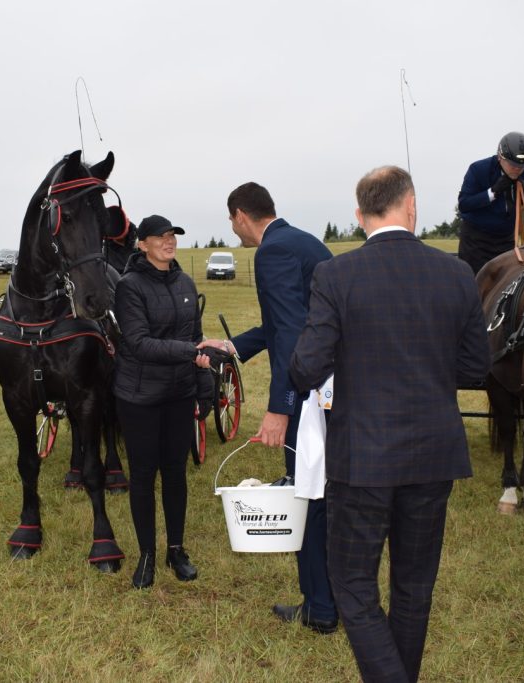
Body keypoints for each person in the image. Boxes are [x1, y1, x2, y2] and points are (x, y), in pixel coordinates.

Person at [290, 166, 490, 681]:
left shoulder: (336, 275)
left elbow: (306, 368)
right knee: (413, 586)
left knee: (353, 587)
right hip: (433, 455)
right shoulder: (455, 273)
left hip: (363, 459)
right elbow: (475, 368)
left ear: (360, 217)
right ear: (412, 206)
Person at [197, 182, 338, 634]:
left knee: (308, 495)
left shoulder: (272, 252)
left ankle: (321, 608)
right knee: (320, 495)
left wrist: (281, 406)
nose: (233, 229)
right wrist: (231, 345)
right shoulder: (302, 240)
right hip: (333, 388)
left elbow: (294, 334)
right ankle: (328, 599)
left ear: (240, 215)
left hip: (311, 397)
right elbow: (279, 323)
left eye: (231, 221)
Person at [112, 214, 213, 590]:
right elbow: (138, 343)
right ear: (142, 244)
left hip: (178, 394)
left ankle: (175, 550)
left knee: (175, 473)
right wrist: (189, 351)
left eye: (172, 236)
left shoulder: (186, 283)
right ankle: (147, 556)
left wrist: (204, 388)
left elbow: (197, 340)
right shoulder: (129, 287)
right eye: (160, 237)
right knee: (142, 475)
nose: (169, 241)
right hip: (140, 397)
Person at [457, 131, 524, 275]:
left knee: (506, 287)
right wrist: (492, 192)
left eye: (521, 166)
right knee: (475, 286)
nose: (517, 169)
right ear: (500, 157)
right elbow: (464, 204)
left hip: (507, 241)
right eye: (513, 165)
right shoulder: (478, 169)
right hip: (476, 243)